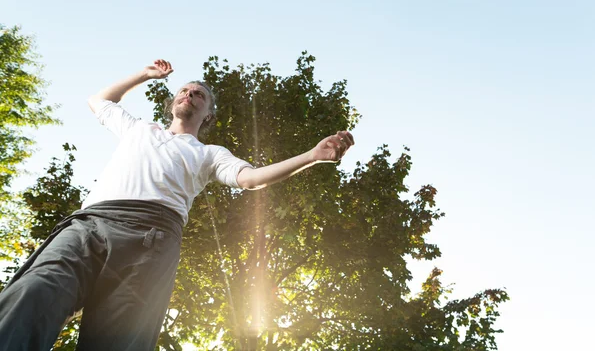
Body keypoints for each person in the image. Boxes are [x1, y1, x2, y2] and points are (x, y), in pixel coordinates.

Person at [0, 59, 355, 351]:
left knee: (119, 340)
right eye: (184, 90)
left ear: (208, 115)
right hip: (90, 224)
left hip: (151, 239)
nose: (190, 94)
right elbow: (99, 101)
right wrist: (144, 74)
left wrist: (312, 155)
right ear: (173, 103)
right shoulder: (139, 129)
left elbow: (252, 179)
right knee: (34, 291)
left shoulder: (208, 154)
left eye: (199, 94)